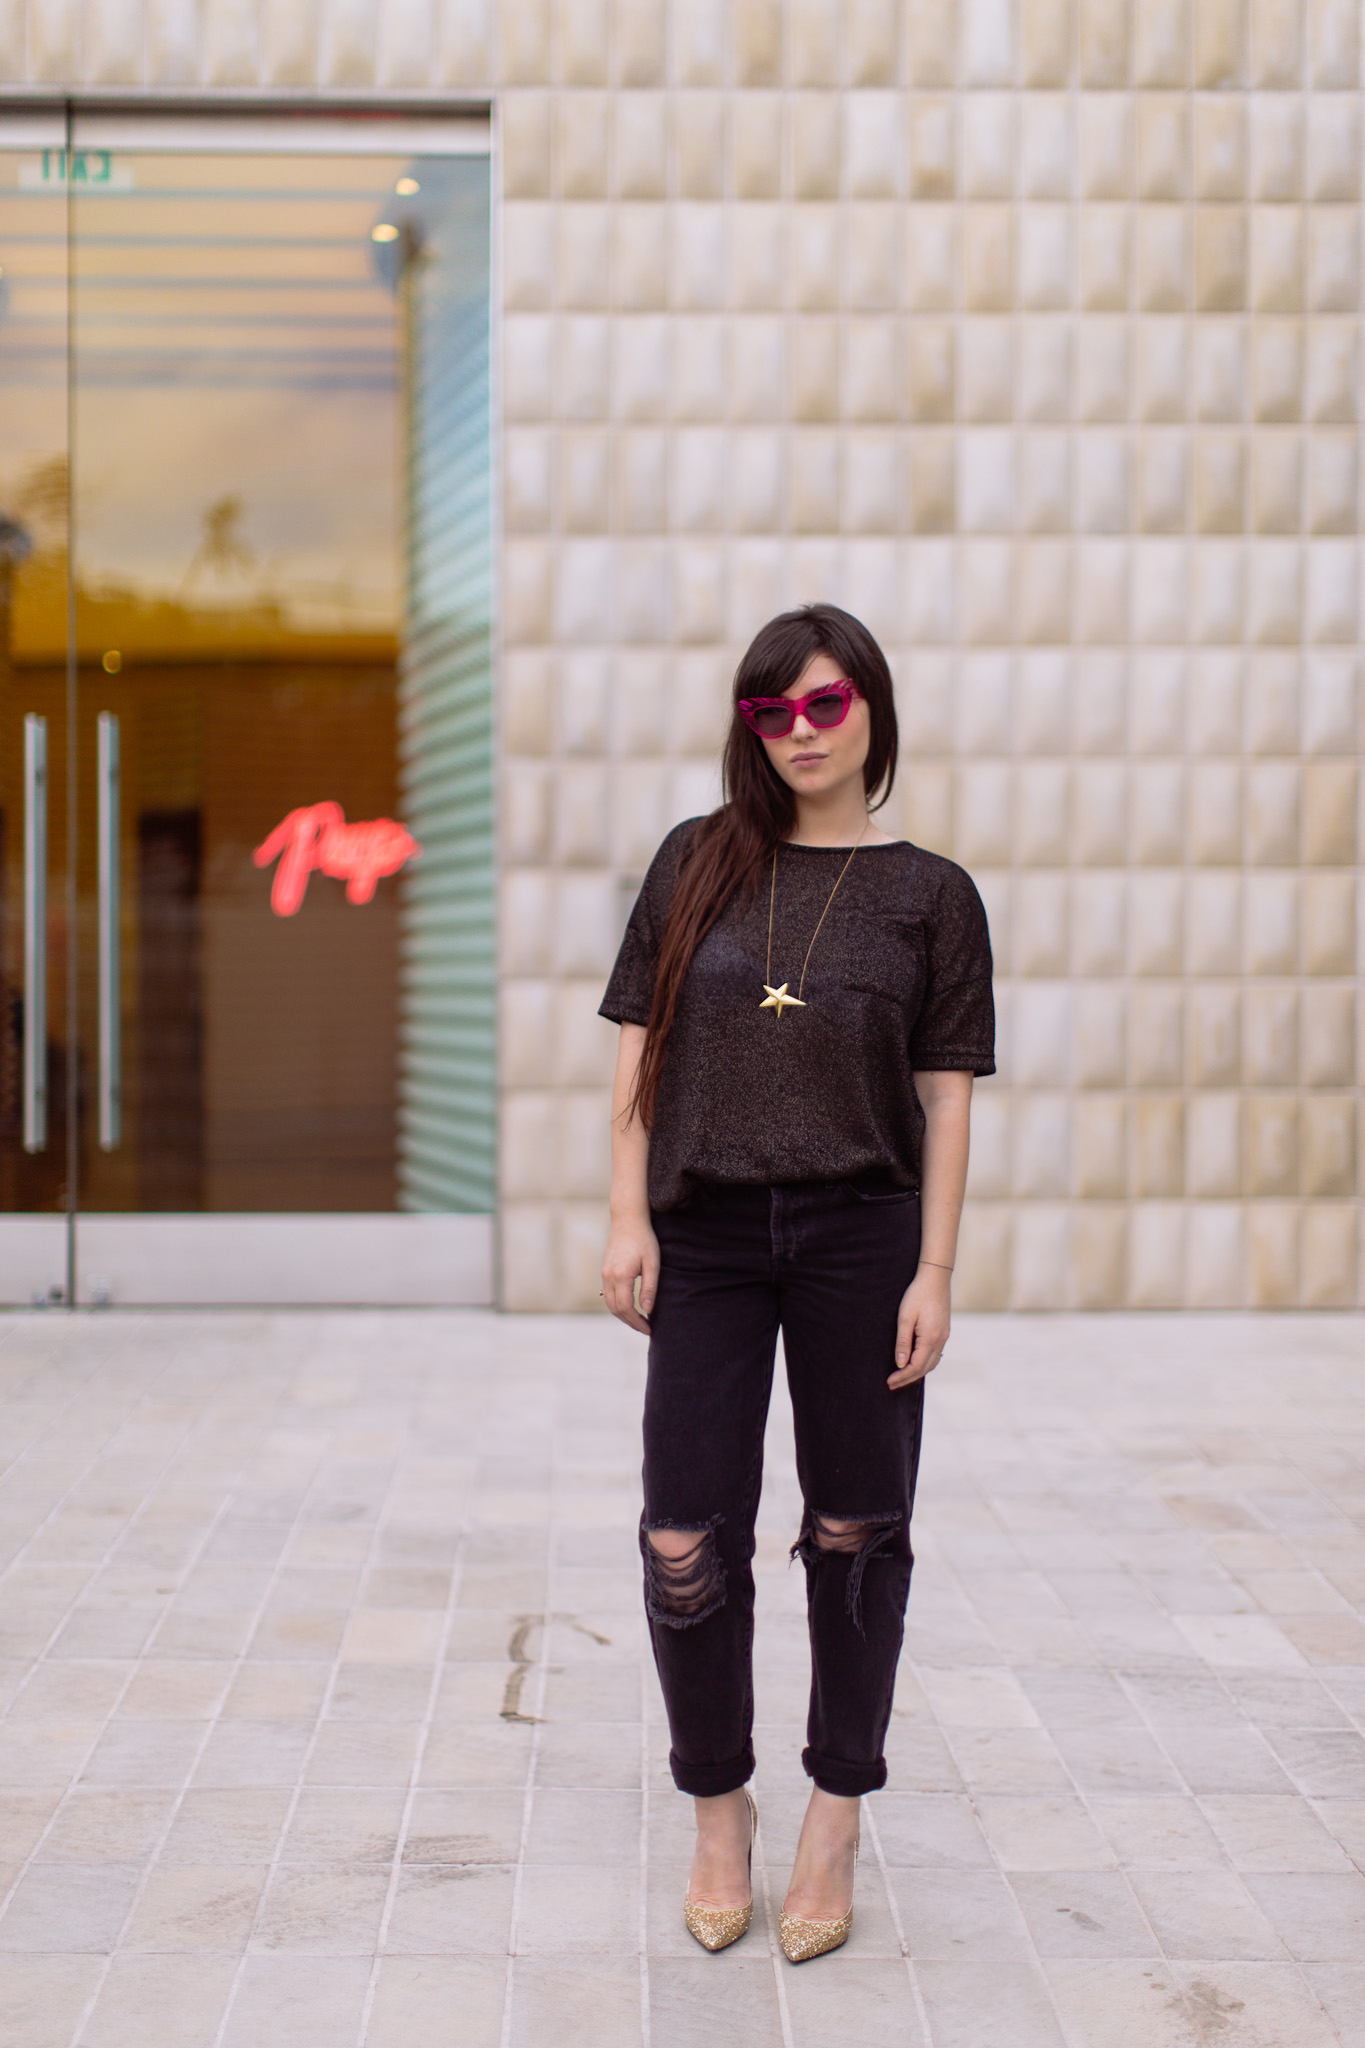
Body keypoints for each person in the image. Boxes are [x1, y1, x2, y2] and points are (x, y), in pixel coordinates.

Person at [598, 604, 995, 1963]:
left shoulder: (932, 895)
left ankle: (835, 1814)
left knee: (854, 1531)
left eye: (827, 704)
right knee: (682, 1538)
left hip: (862, 1237)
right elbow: (641, 1050)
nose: (803, 732)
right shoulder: (695, 860)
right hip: (704, 1238)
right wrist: (626, 1215)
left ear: (872, 707)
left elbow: (946, 1099)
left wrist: (935, 1268)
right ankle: (720, 1810)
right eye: (774, 712)